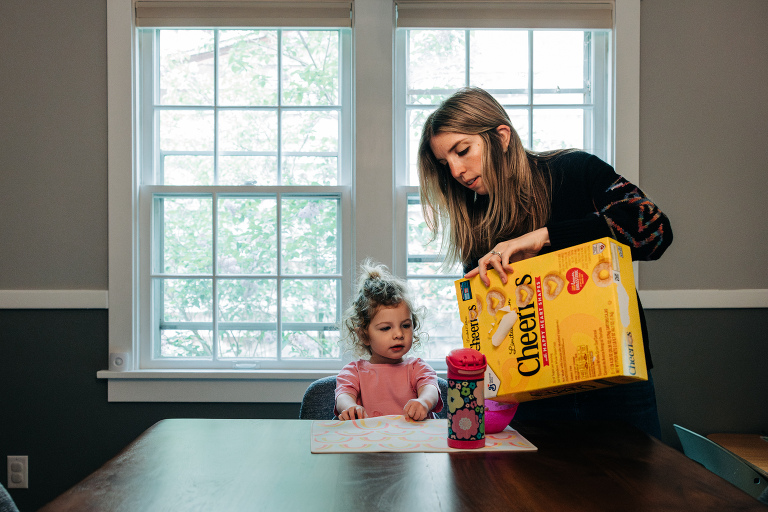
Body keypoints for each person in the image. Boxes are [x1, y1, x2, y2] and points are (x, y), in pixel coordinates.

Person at [417, 87, 672, 438]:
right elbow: (492, 326)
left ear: (501, 136)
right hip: (532, 396)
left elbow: (655, 232)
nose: (458, 170)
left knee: (636, 492)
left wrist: (543, 237)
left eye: (463, 151)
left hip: (615, 384)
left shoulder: (575, 170)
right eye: (447, 164)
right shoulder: (475, 222)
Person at [335, 260, 444, 421]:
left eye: (405, 325)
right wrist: (350, 407)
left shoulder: (417, 368)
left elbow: (430, 388)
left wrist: (424, 402)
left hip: (412, 443)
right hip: (371, 443)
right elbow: (343, 395)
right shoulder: (354, 372)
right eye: (386, 328)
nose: (399, 334)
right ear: (364, 335)